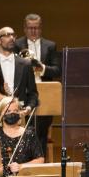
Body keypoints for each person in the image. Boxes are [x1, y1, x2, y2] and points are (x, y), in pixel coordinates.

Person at [14, 13, 62, 158]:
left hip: (45, 95)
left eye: (36, 28)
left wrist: (41, 67)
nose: (33, 31)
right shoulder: (17, 45)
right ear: (24, 29)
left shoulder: (50, 45)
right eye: (30, 28)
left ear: (41, 28)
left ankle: (40, 163)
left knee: (41, 132)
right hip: (25, 94)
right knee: (23, 131)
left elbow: (57, 70)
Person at [0, 26, 39, 113]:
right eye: (7, 35)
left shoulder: (26, 64)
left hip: (19, 112)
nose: (12, 38)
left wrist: (28, 108)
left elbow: (33, 93)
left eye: (13, 35)